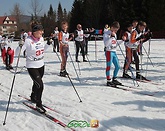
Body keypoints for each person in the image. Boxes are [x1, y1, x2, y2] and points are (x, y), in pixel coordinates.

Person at [16, 21, 51, 113]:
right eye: (40, 31)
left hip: (41, 64)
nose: (42, 33)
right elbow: (17, 53)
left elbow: (43, 50)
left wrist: (48, 44)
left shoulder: (41, 39)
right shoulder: (28, 41)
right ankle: (38, 105)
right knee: (40, 85)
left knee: (37, 83)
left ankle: (33, 96)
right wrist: (20, 46)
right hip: (32, 66)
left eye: (42, 31)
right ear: (35, 32)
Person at [104, 21, 124, 87]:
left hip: (114, 51)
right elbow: (106, 44)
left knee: (117, 66)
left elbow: (115, 44)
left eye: (117, 30)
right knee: (109, 66)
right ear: (112, 27)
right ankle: (108, 80)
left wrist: (122, 40)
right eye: (115, 29)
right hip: (109, 52)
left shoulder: (114, 34)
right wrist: (110, 37)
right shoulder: (106, 33)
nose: (116, 31)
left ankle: (114, 78)